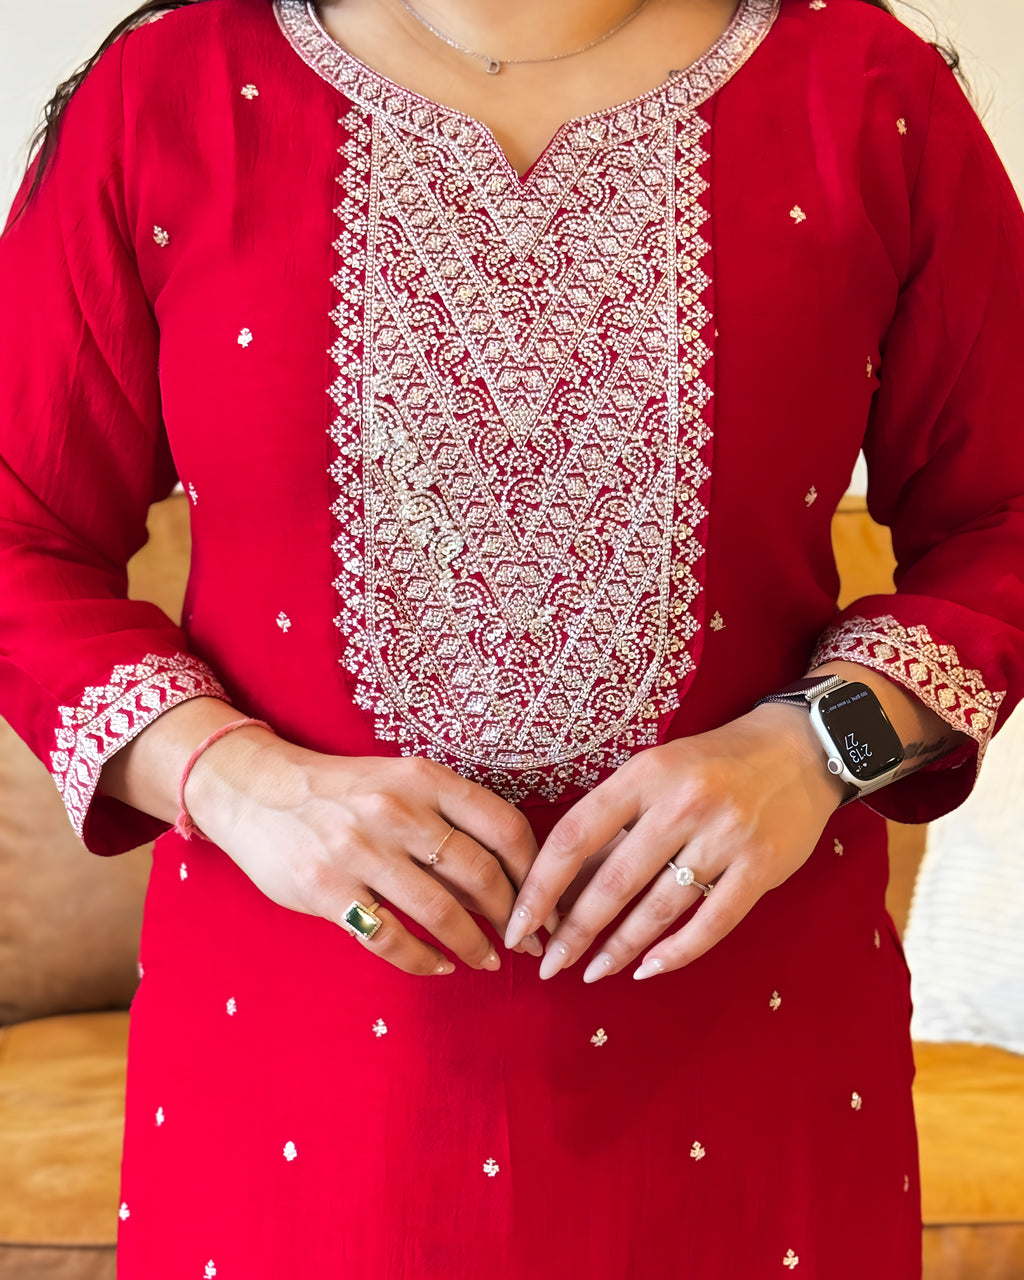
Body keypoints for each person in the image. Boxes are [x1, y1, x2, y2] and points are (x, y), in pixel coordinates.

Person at [2, 0, 1023, 1275]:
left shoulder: (861, 92)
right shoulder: (180, 92)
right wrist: (234, 776)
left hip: (745, 1042)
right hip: (297, 1066)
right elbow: (17, 529)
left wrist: (815, 747)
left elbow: (1000, 515)